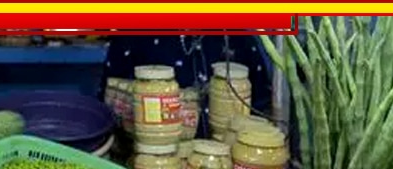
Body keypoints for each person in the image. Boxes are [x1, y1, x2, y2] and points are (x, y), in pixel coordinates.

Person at [102, 35, 273, 138]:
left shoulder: (239, 37)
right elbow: (108, 110)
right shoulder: (134, 34)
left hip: (229, 167)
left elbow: (261, 109)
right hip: (154, 165)